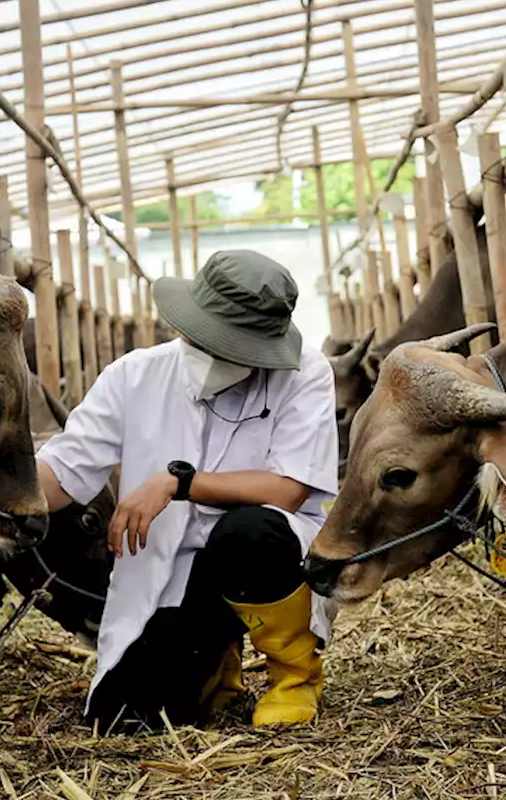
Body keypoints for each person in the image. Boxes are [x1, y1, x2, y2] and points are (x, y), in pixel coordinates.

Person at [35, 249, 339, 732]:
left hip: (264, 560)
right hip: (172, 574)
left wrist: (179, 483)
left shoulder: (304, 373)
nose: (212, 354)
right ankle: (219, 658)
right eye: (204, 340)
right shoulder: (133, 375)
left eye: (232, 348)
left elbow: (289, 489)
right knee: (125, 720)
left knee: (251, 531)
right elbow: (65, 468)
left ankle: (295, 676)